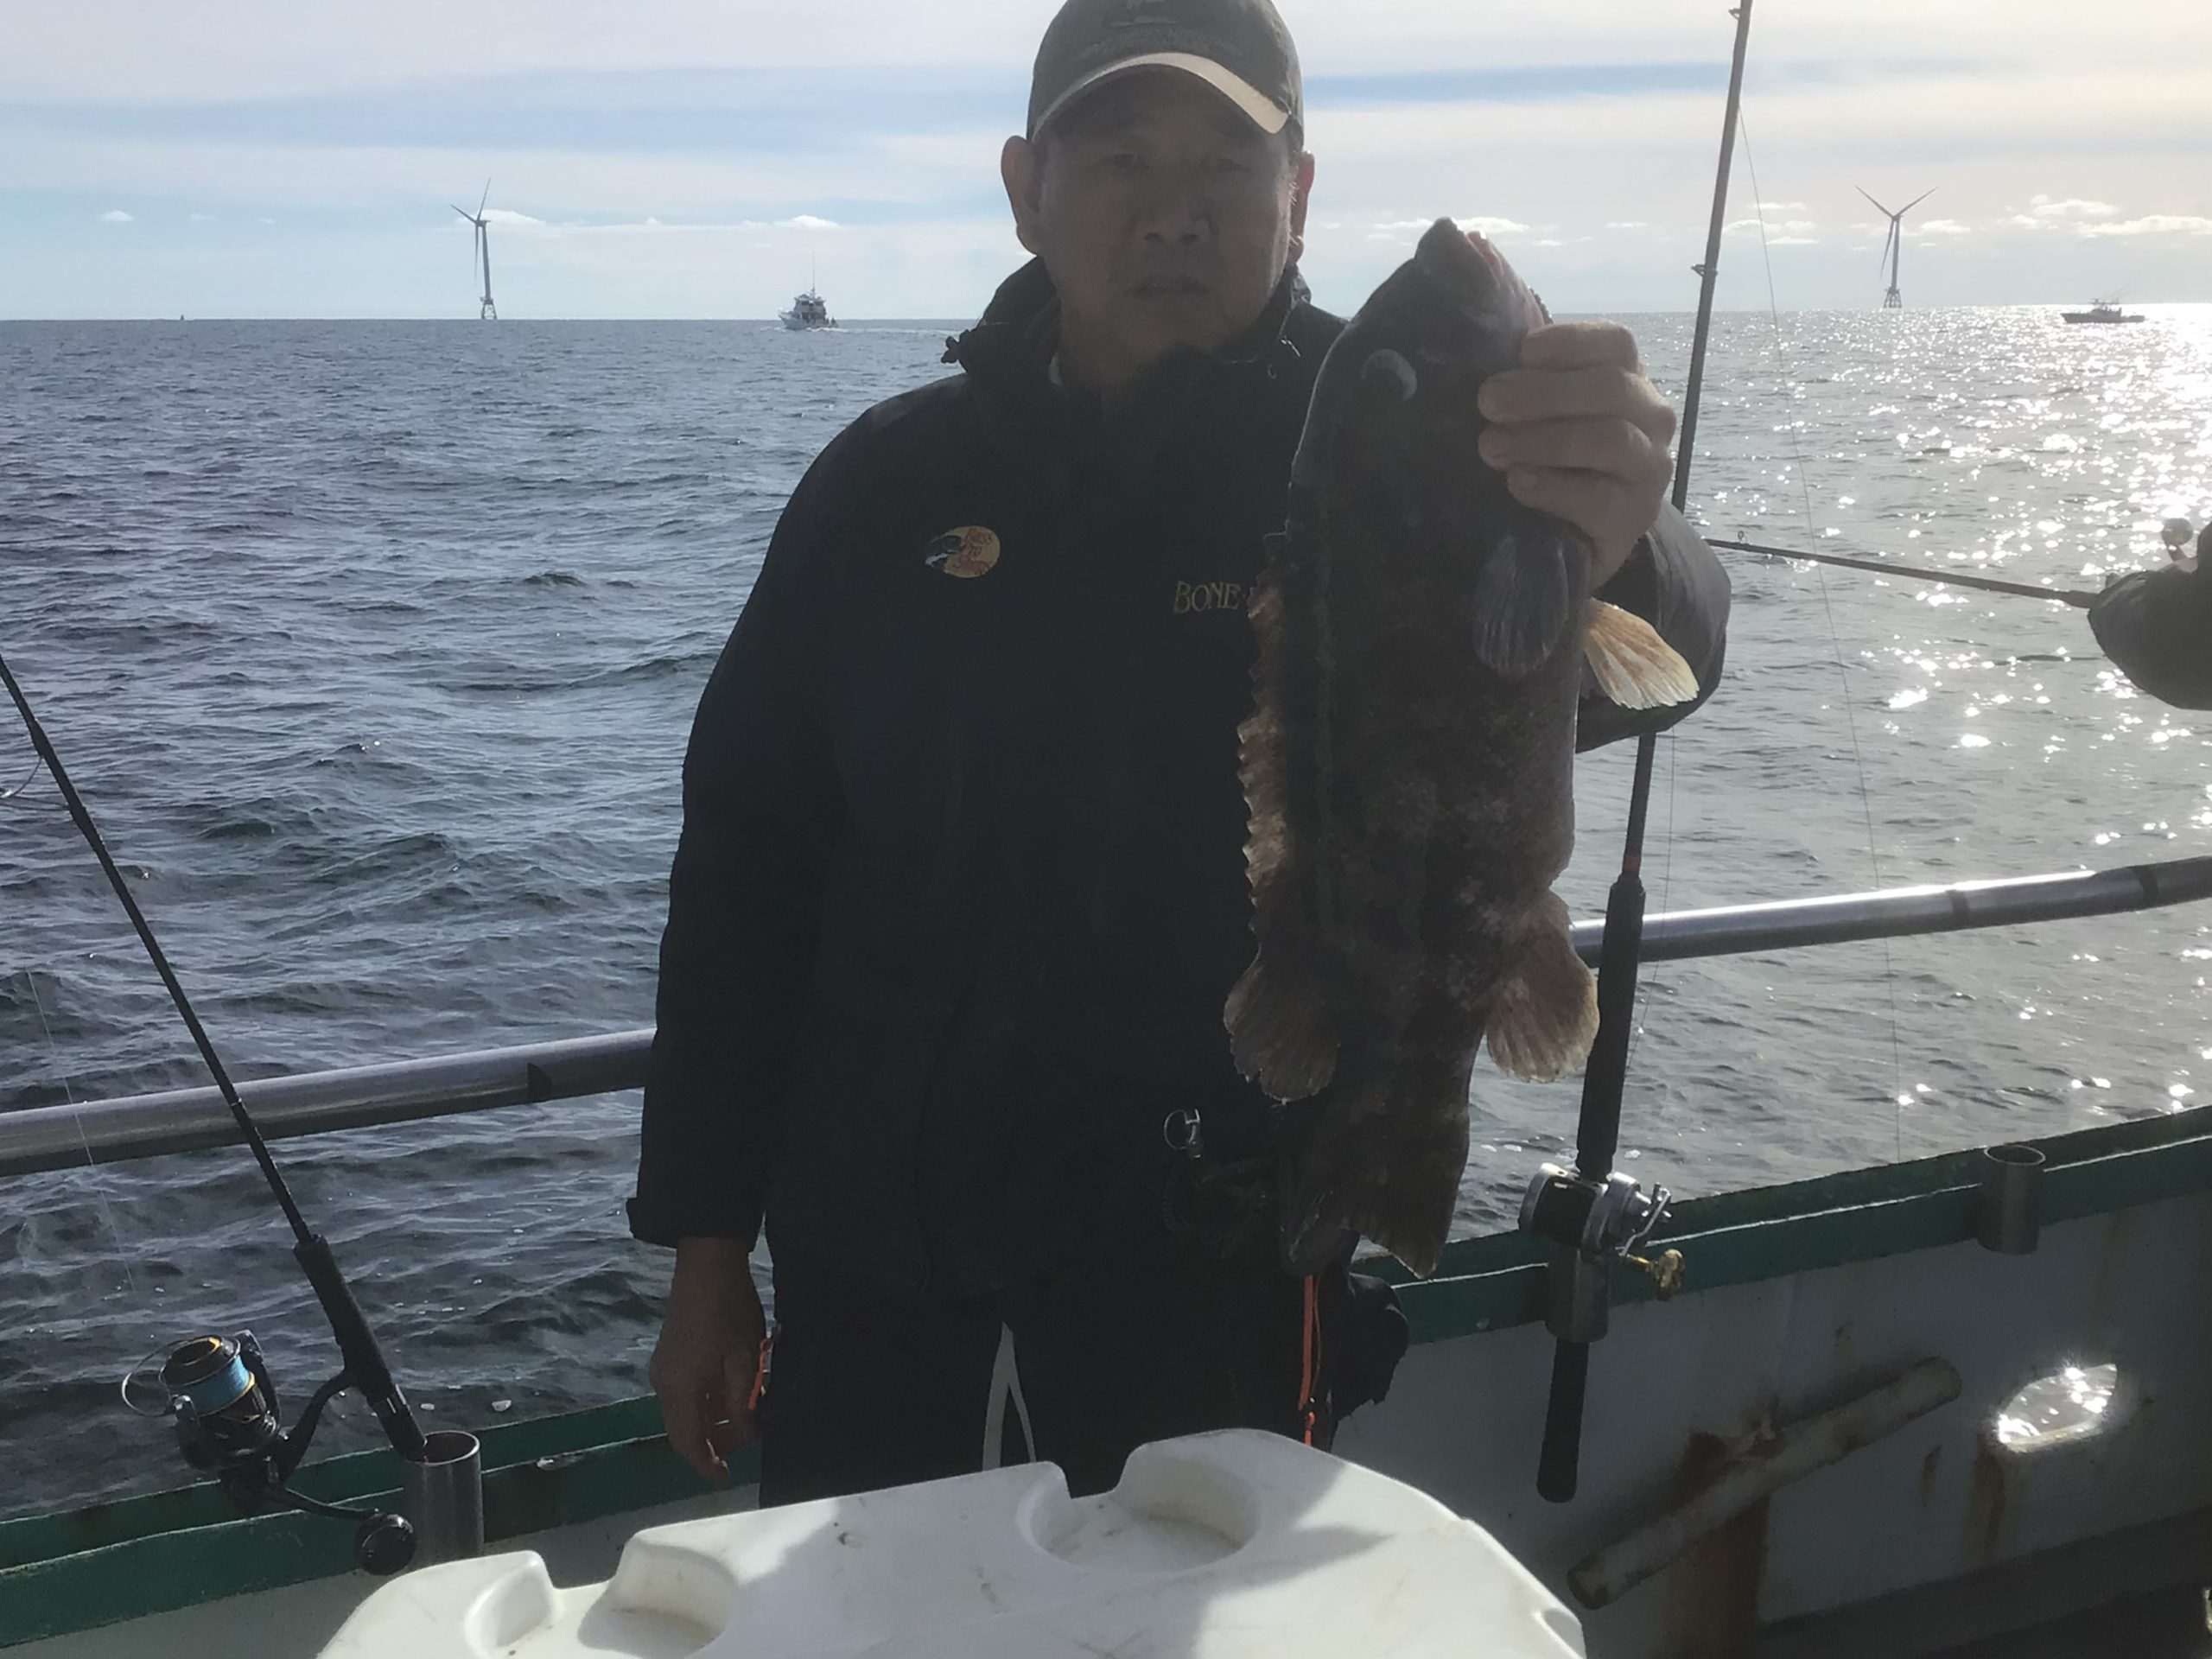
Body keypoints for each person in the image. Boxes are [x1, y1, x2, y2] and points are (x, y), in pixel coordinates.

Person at [628, 0, 1732, 1507]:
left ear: (1300, 195)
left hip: (1217, 1262)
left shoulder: (1422, 424)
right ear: (1026, 189)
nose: (1176, 209)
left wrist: (1624, 537)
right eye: (1123, 157)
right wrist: (707, 1251)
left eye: (1226, 160)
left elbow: (1663, 644)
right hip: (872, 1278)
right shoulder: (882, 484)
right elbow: (747, 868)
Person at [2088, 520, 2212, 709]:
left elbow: (2192, 572)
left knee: (2151, 590)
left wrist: (2171, 544)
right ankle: (2117, 590)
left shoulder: (2175, 583)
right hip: (2178, 674)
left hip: (2165, 675)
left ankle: (2116, 590)